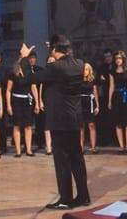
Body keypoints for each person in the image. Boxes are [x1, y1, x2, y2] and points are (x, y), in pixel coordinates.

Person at [20, 36, 90, 210]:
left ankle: (66, 199)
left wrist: (24, 58)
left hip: (59, 120)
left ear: (55, 50)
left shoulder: (55, 67)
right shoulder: (79, 64)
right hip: (74, 119)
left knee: (62, 161)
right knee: (77, 159)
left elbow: (29, 78)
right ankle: (83, 196)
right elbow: (63, 54)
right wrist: (55, 44)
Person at [6, 60, 38, 157]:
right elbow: (8, 90)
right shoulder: (13, 74)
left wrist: (37, 103)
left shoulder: (30, 74)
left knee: (28, 126)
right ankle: (18, 150)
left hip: (27, 102)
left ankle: (28, 149)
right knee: (17, 125)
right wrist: (9, 105)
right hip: (16, 102)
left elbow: (33, 88)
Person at [108, 50, 127, 153]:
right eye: (116, 58)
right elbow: (111, 86)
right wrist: (109, 100)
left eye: (120, 58)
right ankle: (121, 146)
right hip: (116, 97)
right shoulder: (112, 71)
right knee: (118, 122)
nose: (118, 60)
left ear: (123, 59)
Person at [78, 63, 99, 154]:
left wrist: (97, 105)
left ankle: (93, 147)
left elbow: (95, 92)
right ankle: (81, 147)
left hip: (90, 103)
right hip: (80, 103)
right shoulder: (78, 80)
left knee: (91, 125)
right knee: (81, 126)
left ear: (89, 70)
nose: (85, 71)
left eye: (86, 69)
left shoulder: (92, 80)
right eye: (83, 69)